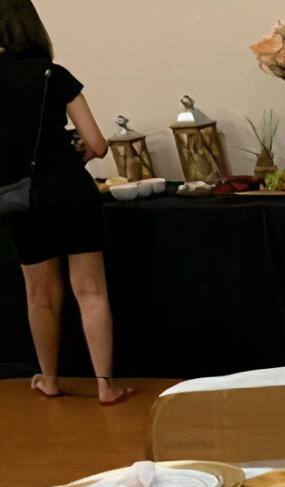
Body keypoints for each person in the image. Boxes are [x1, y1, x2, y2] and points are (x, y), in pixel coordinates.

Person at [0, 0, 130, 405]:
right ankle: (106, 386)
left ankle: (50, 379)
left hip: (21, 197)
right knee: (90, 292)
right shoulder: (54, 75)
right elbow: (96, 144)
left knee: (40, 294)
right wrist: (77, 154)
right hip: (71, 191)